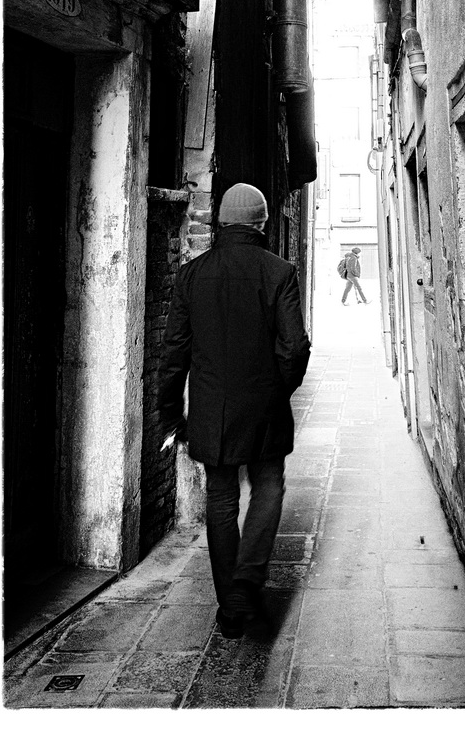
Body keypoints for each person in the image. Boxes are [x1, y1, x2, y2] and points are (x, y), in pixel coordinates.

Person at [157, 183, 311, 640]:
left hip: (212, 412)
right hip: (264, 406)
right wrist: (278, 390)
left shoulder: (191, 276)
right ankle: (248, 577)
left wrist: (171, 416)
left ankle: (230, 606)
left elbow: (174, 353)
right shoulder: (279, 272)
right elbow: (294, 347)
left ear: (221, 222)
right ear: (262, 223)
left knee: (221, 499)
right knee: (268, 485)